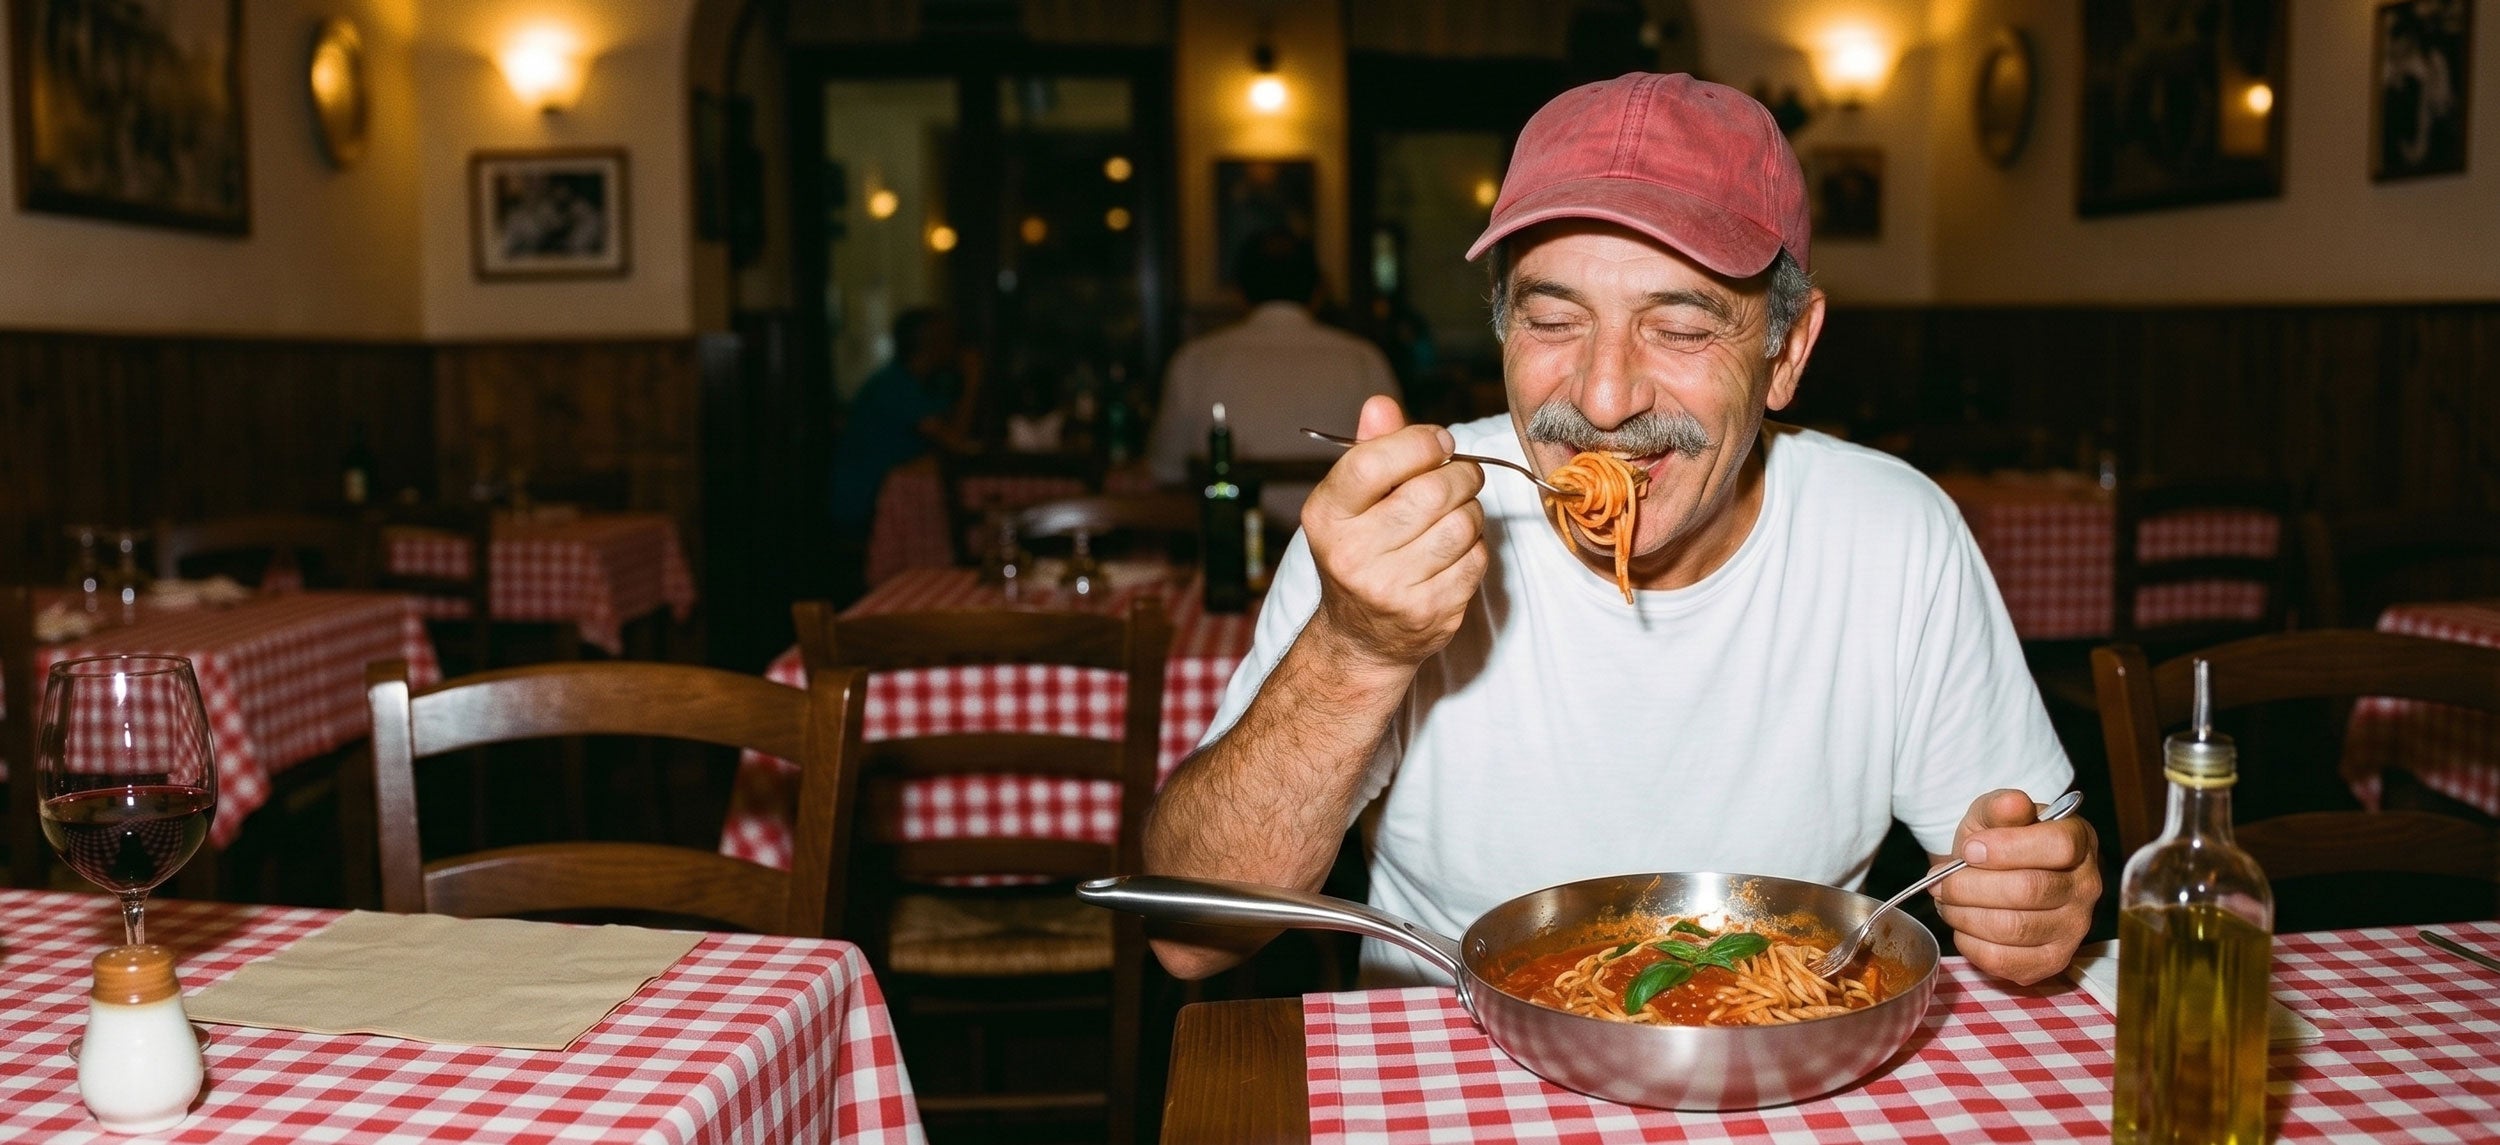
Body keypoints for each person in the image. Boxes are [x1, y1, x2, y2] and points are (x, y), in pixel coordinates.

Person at [1143, 73, 2097, 989]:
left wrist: (2034, 904)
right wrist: (1355, 648)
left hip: (1776, 1062)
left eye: (1681, 329)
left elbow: (2022, 887)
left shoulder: (1894, 533)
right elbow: (1191, 936)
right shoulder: (1395, 527)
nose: (1602, 397)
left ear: (1786, 351)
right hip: (1454, 1067)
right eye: (1554, 320)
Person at [1145, 228, 1400, 521]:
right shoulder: (1364, 358)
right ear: (1318, 292)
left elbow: (1165, 470)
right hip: (1345, 542)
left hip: (1231, 547)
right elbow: (1398, 464)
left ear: (1239, 294)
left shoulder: (1195, 360)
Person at [827, 307, 982, 536]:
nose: (957, 347)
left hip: (892, 498)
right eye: (949, 338)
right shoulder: (894, 386)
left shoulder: (919, 386)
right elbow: (954, 441)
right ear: (931, 343)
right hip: (865, 502)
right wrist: (973, 379)